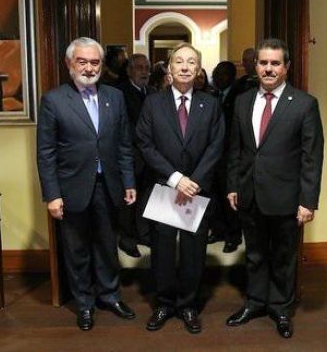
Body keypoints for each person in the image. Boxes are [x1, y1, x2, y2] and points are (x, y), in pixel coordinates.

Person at [226, 38, 324, 339]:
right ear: (255, 66)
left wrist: (308, 201)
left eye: (275, 63)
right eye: (263, 63)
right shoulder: (242, 101)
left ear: (286, 67)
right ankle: (255, 302)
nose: (268, 69)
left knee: (283, 257)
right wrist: (233, 185)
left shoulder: (304, 104)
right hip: (249, 193)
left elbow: (312, 157)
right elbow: (236, 149)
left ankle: (281, 308)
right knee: (254, 254)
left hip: (286, 197)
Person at [37, 37, 136, 331]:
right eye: (82, 62)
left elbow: (124, 144)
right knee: (77, 250)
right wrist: (52, 195)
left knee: (107, 245)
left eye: (95, 62)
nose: (89, 68)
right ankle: (84, 304)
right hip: (71, 189)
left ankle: (110, 295)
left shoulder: (114, 97)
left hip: (109, 185)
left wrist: (128, 180)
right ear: (69, 64)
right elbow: (46, 153)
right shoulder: (54, 100)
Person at [136, 42, 225, 334]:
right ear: (169, 69)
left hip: (197, 190)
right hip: (165, 187)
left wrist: (194, 181)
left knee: (193, 252)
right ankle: (164, 303)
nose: (185, 67)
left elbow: (216, 145)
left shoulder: (211, 104)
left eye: (191, 62)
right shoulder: (153, 103)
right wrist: (176, 178)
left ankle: (188, 305)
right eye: (179, 62)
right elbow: (145, 144)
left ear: (198, 70)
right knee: (162, 250)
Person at [117, 53, 156, 257]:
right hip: (130, 155)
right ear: (129, 70)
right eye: (139, 67)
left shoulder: (153, 92)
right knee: (129, 200)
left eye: (147, 68)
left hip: (151, 157)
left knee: (146, 197)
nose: (144, 72)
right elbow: (123, 126)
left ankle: (143, 234)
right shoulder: (119, 93)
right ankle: (127, 239)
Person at [208, 61, 243, 253]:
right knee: (215, 197)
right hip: (214, 156)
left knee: (230, 197)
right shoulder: (214, 96)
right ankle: (218, 230)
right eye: (215, 74)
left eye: (221, 74)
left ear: (231, 76)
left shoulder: (239, 96)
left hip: (230, 155)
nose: (217, 78)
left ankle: (233, 235)